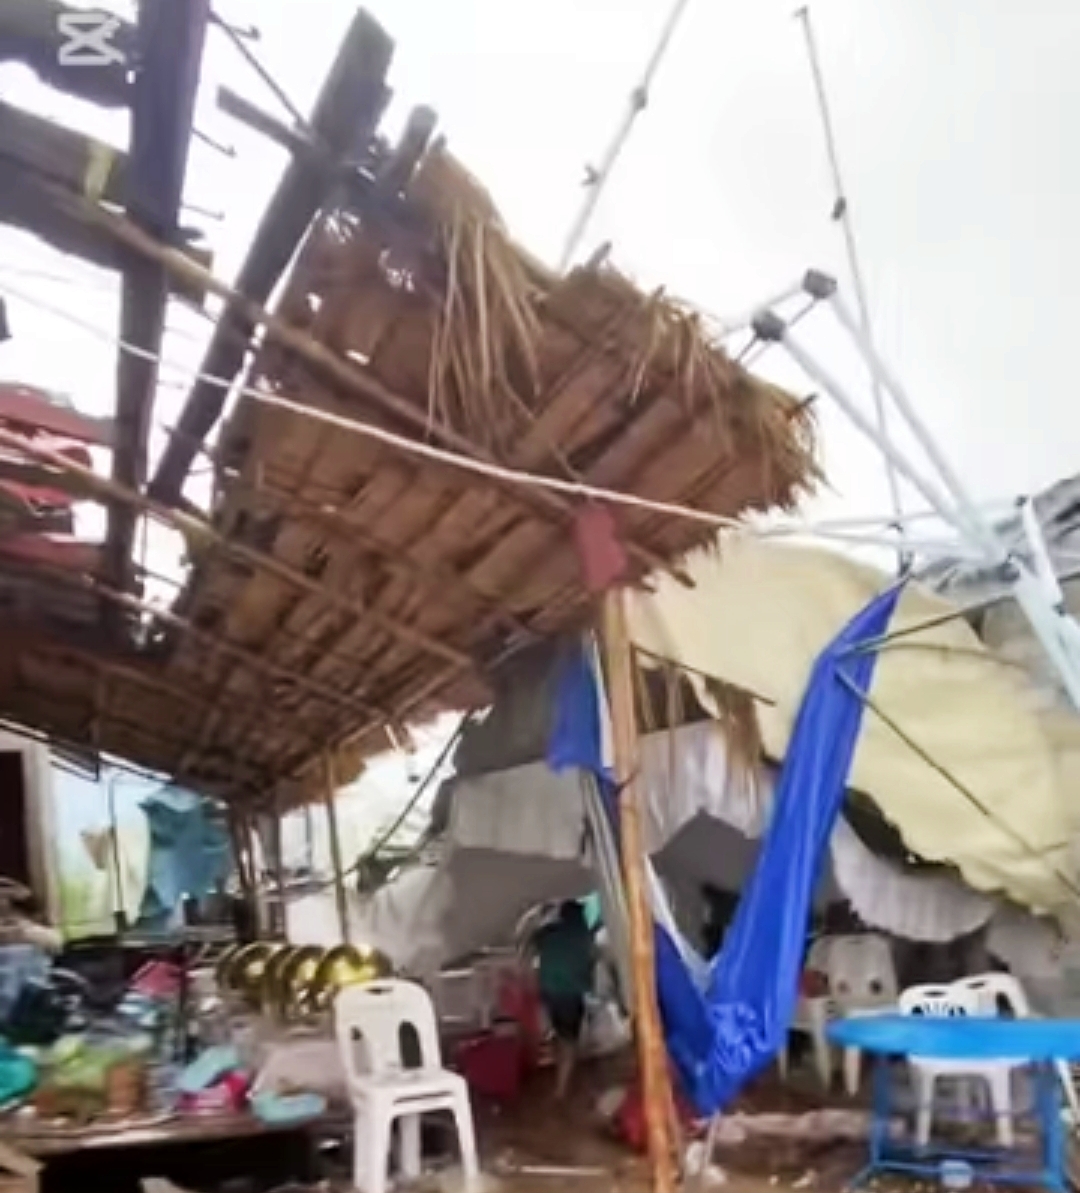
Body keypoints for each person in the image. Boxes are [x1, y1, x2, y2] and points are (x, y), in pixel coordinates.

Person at [533, 899, 595, 1101]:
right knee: (569, 1040)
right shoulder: (584, 935)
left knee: (560, 1034)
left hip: (549, 991)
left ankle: (560, 1074)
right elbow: (589, 964)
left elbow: (534, 940)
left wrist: (544, 914)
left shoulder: (549, 933)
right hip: (570, 994)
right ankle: (561, 1089)